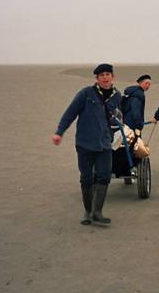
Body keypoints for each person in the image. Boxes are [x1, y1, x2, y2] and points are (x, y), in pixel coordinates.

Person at [52, 63, 121, 225]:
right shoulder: (86, 93)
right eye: (101, 75)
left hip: (104, 144)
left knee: (104, 177)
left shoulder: (117, 96)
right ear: (96, 78)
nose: (105, 77)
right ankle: (87, 212)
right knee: (87, 178)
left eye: (107, 74)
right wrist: (59, 132)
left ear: (112, 77)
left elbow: (116, 117)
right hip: (85, 144)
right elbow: (70, 113)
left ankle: (98, 212)